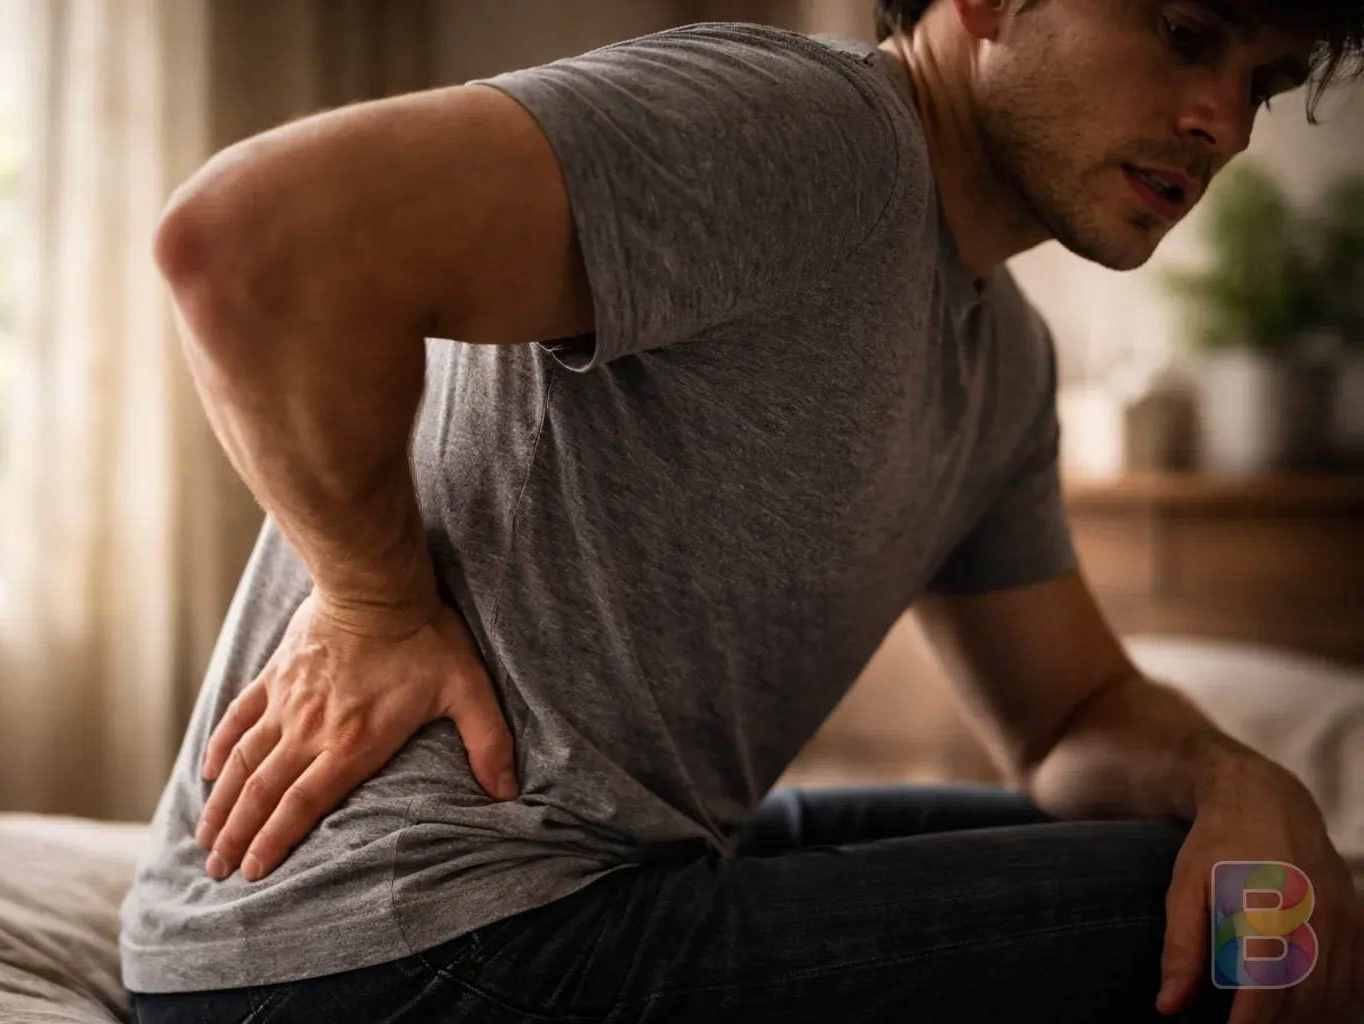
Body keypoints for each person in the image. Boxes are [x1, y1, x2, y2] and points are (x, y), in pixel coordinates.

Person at [122, 1, 1364, 1021]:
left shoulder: (1003, 360)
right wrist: (371, 599)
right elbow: (248, 238)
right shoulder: (810, 136)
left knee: (1265, 866)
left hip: (573, 884)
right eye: (1186, 32)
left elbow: (1067, 719)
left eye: (1262, 82)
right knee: (1261, 922)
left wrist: (1237, 774)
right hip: (387, 952)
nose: (1221, 125)